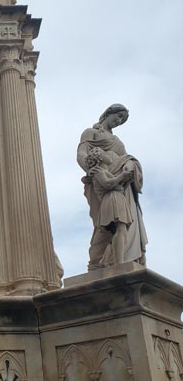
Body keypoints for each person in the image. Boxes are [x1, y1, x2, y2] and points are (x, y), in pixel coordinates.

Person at [77, 104, 147, 270]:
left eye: (122, 119)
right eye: (118, 116)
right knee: (103, 227)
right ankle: (98, 263)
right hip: (103, 184)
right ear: (109, 113)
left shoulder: (118, 143)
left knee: (122, 226)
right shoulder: (91, 132)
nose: (119, 120)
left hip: (122, 188)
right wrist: (90, 170)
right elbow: (81, 154)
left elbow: (126, 159)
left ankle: (117, 260)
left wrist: (130, 166)